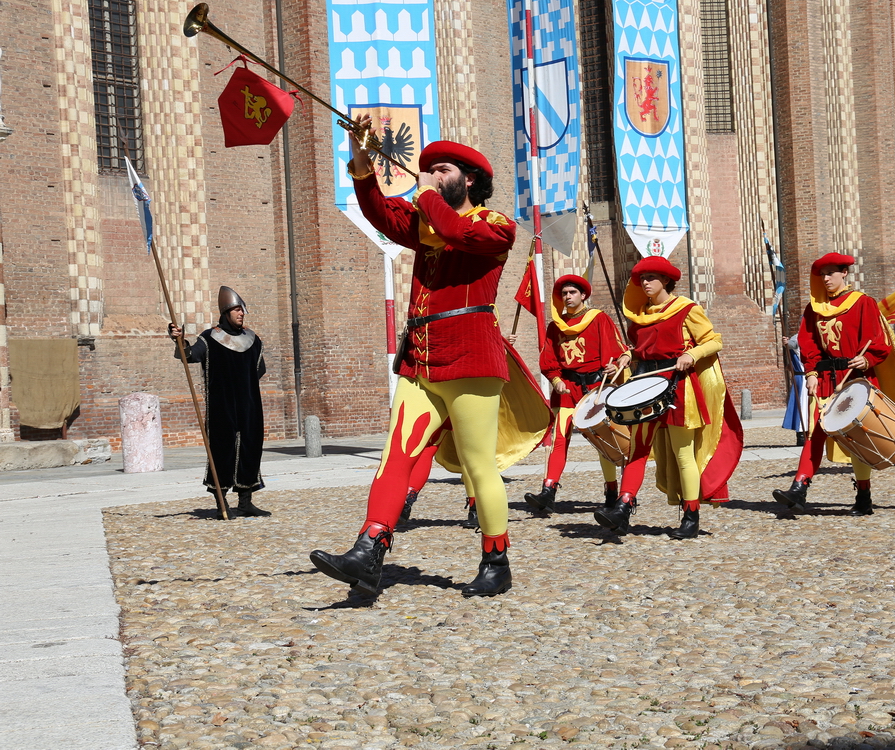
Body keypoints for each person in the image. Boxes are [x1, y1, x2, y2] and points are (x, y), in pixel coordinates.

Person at [309, 123, 547, 598]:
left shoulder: (496, 226)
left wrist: (425, 194)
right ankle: (370, 547)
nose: (431, 177)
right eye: (428, 171)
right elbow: (379, 212)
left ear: (470, 180)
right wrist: (361, 158)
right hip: (421, 360)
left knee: (479, 465)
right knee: (395, 454)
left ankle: (496, 560)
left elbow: (456, 230)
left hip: (472, 356)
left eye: (442, 170)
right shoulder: (426, 226)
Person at [771, 253, 895, 516]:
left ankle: (863, 495)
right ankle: (799, 487)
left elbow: (879, 341)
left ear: (844, 273)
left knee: (858, 437)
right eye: (822, 274)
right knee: (816, 432)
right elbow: (809, 344)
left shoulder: (862, 303)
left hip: (856, 379)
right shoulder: (814, 308)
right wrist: (812, 373)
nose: (825, 279)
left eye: (830, 273)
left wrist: (867, 358)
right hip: (827, 380)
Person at [596, 256, 743, 539]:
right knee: (638, 450)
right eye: (642, 279)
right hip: (645, 387)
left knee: (683, 454)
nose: (645, 283)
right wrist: (627, 355)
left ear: (666, 280)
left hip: (679, 388)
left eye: (651, 278)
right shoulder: (639, 315)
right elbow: (639, 348)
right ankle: (623, 507)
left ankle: (691, 516)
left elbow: (714, 341)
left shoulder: (687, 309)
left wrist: (691, 354)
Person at [524, 275, 627, 513]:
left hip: (594, 389)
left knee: (602, 440)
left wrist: (615, 365)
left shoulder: (598, 319)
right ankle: (548, 490)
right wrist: (556, 380)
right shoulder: (555, 326)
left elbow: (619, 350)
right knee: (560, 439)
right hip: (568, 389)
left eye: (572, 293)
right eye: (564, 294)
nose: (567, 297)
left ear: (583, 296)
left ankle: (612, 490)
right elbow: (549, 359)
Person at [168, 286, 270, 518]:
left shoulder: (253, 340)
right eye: (235, 310)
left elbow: (258, 370)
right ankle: (221, 503)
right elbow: (189, 355)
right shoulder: (210, 339)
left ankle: (245, 503)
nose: (240, 313)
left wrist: (244, 389)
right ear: (225, 313)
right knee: (222, 450)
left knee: (250, 450)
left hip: (250, 406)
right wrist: (179, 340)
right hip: (221, 407)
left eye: (241, 309)